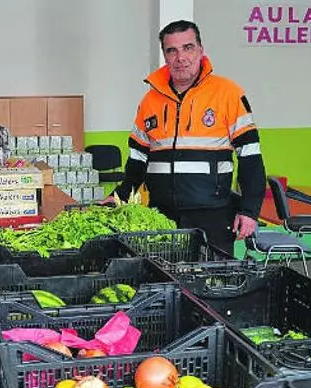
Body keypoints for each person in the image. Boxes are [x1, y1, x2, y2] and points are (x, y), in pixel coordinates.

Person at [110, 20, 266, 257]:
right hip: (161, 215)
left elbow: (251, 157)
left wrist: (249, 210)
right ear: (165, 55)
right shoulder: (150, 101)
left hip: (213, 216)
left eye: (188, 47)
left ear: (201, 50)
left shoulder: (228, 93)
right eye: (171, 50)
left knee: (212, 278)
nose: (180, 57)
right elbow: (137, 159)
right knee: (161, 276)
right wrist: (120, 196)